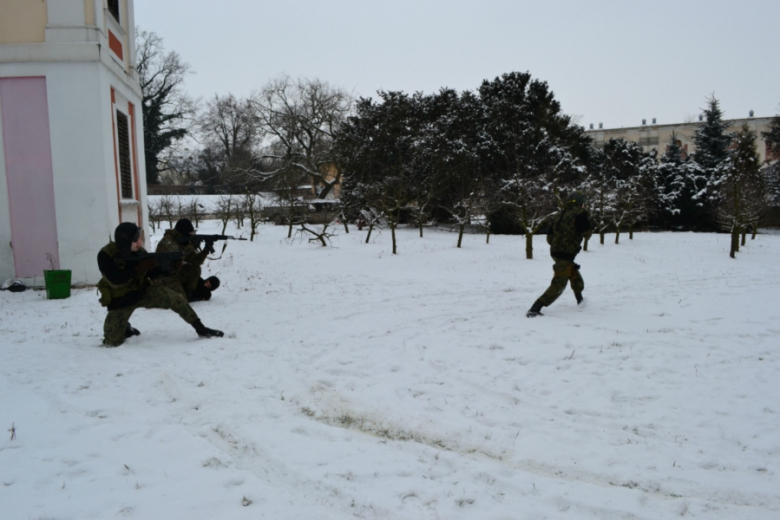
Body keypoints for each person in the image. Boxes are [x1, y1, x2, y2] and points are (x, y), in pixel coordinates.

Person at [97, 222, 224, 347]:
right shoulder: (106, 255)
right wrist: (138, 268)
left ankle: (200, 328)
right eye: (135, 239)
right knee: (111, 342)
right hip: (120, 300)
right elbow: (115, 280)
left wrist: (170, 268)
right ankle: (125, 327)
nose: (139, 242)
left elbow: (151, 274)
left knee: (176, 299)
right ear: (125, 240)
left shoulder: (139, 252)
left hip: (141, 291)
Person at [527, 191, 593, 317]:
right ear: (579, 203)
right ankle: (535, 308)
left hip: (556, 252)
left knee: (573, 273)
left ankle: (580, 300)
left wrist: (559, 243)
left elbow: (549, 237)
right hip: (566, 253)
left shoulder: (558, 215)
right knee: (559, 283)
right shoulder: (580, 214)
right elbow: (586, 234)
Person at [155, 218, 210, 300]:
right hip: (163, 277)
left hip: (175, 273)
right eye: (190, 233)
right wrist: (192, 246)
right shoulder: (168, 241)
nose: (192, 235)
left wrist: (206, 250)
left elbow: (196, 261)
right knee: (180, 300)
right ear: (183, 232)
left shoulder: (184, 242)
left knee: (195, 268)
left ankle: (189, 294)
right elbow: (178, 254)